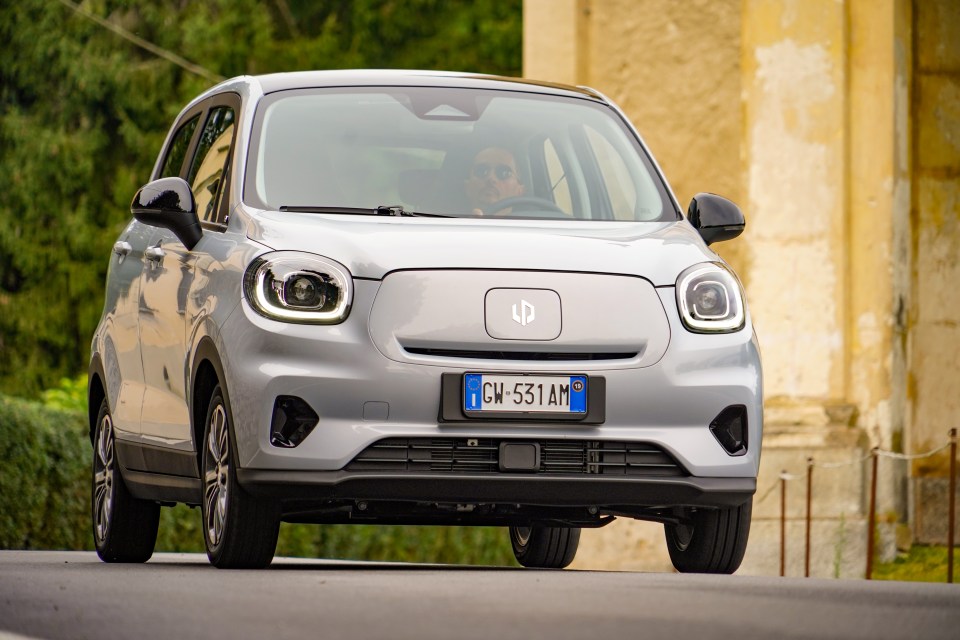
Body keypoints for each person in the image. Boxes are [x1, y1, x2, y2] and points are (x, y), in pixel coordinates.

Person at [464, 147, 525, 215]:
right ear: (467, 187)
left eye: (504, 173)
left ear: (520, 191)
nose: (491, 178)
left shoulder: (532, 224)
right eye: (481, 171)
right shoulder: (452, 223)